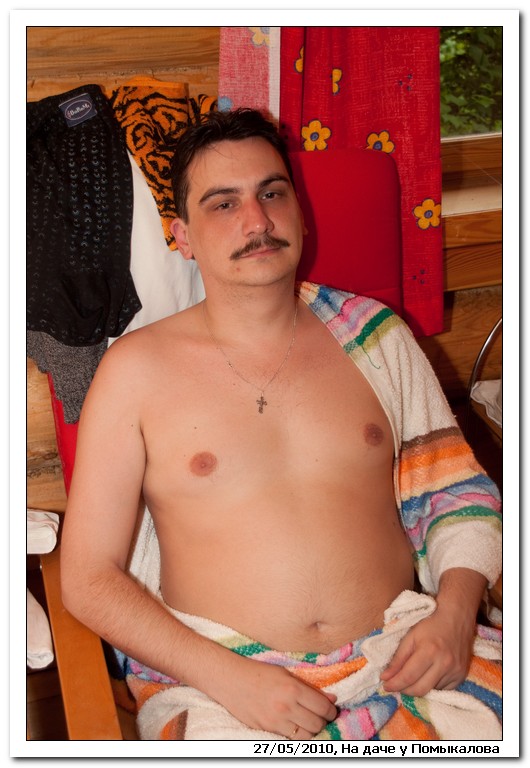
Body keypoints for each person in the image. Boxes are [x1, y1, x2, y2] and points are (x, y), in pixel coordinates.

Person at [61, 108, 502, 741]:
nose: (257, 221)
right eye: (223, 204)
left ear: (300, 211)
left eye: (272, 194)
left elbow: (453, 493)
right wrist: (231, 680)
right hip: (223, 689)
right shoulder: (134, 372)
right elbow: (88, 578)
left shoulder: (376, 339)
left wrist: (455, 615)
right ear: (182, 236)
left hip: (408, 656)